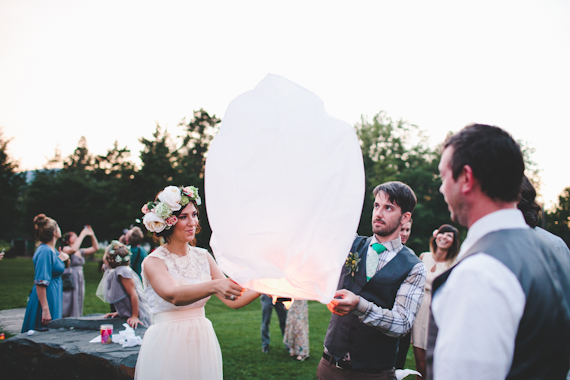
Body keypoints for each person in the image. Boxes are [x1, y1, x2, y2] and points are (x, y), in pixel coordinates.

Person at [427, 124, 570, 380]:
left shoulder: (480, 272)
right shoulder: (549, 254)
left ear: (467, 178)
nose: (441, 188)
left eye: (444, 176)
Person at [134, 185, 260, 380]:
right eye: (184, 217)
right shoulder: (154, 261)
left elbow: (234, 300)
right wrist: (215, 285)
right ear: (168, 222)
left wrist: (269, 286)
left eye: (194, 214)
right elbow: (173, 295)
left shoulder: (203, 256)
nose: (192, 222)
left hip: (202, 339)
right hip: (168, 342)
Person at [318, 181, 426, 379]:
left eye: (388, 208)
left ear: (405, 217)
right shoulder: (350, 244)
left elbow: (402, 323)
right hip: (329, 367)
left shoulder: (414, 267)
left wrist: (360, 305)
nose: (378, 213)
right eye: (376, 206)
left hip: (373, 373)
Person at [411, 224, 459, 378]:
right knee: (420, 365)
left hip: (438, 315)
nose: (444, 237)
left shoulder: (454, 264)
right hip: (419, 312)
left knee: (433, 364)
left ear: (454, 242)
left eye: (449, 236)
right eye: (442, 233)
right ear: (436, 235)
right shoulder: (423, 257)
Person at [21, 214, 70, 333]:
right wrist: (45, 309)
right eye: (57, 226)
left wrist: (66, 258)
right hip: (46, 296)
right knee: (44, 331)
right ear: (54, 232)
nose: (60, 229)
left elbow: (58, 268)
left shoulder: (52, 250)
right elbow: (40, 282)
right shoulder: (45, 252)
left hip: (54, 293)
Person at [97, 240, 151, 328]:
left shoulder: (123, 271)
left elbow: (133, 294)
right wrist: (120, 312)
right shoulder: (113, 271)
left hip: (138, 312)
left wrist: (134, 316)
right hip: (127, 312)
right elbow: (121, 293)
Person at [61, 226, 99, 317]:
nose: (76, 237)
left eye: (76, 235)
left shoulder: (81, 251)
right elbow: (73, 250)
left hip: (80, 277)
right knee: (69, 298)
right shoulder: (65, 249)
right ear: (67, 241)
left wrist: (92, 235)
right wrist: (82, 234)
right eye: (73, 236)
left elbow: (95, 248)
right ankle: (66, 317)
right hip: (71, 276)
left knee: (78, 297)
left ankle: (76, 316)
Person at [394, 218, 414, 370]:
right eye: (402, 229)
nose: (405, 233)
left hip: (403, 316)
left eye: (408, 230)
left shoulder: (411, 257)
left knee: (398, 362)